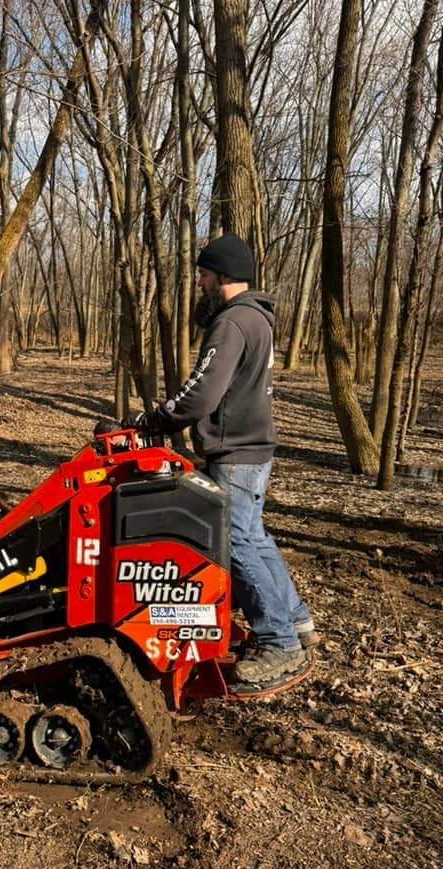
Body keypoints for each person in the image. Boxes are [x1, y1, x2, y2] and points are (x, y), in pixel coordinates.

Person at [126, 233, 315, 689]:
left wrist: (154, 420)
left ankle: (279, 642)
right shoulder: (259, 318)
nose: (201, 283)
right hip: (254, 448)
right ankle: (296, 620)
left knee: (236, 541)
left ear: (225, 276)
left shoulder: (231, 323)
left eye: (205, 275)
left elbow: (202, 393)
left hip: (235, 450)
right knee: (253, 535)